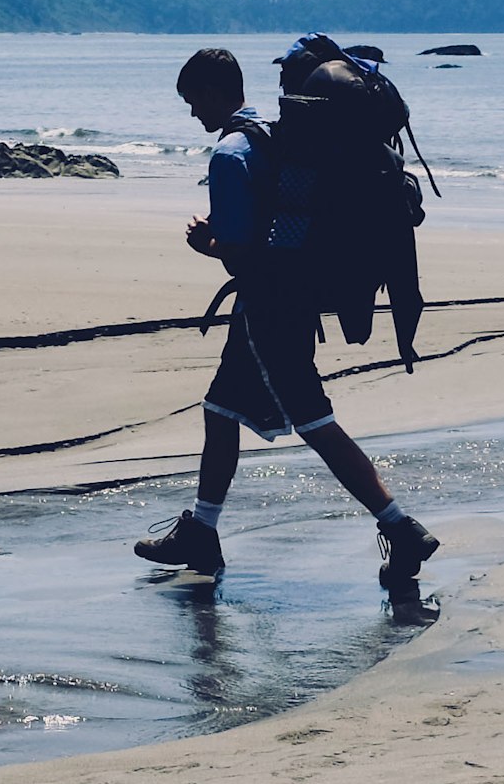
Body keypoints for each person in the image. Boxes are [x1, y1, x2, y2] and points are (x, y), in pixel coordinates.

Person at [134, 45, 440, 590]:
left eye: (191, 101)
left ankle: (401, 528)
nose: (192, 114)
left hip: (270, 305)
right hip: (289, 296)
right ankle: (201, 530)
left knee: (315, 422)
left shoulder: (230, 153)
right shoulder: (275, 132)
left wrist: (208, 244)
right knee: (219, 410)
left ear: (210, 92)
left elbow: (239, 251)